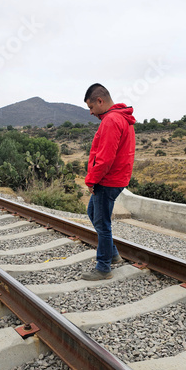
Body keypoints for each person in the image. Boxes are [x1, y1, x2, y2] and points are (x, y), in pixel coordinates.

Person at [81, 83, 136, 280]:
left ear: (100, 101)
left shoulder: (112, 120)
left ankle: (103, 267)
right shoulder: (121, 117)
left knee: (102, 223)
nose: (91, 112)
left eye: (91, 107)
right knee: (93, 213)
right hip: (116, 178)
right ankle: (112, 254)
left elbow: (105, 158)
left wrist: (91, 180)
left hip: (108, 180)